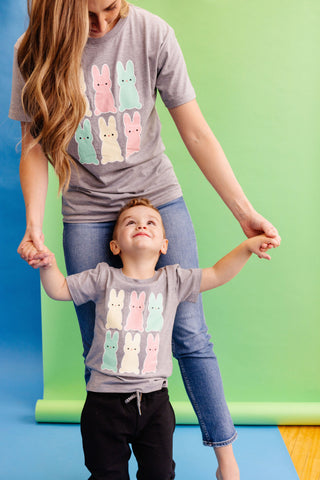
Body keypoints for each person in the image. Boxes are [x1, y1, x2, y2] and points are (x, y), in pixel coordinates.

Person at [9, 1, 281, 479]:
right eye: (92, 12)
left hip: (156, 198)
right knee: (101, 340)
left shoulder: (153, 33)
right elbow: (33, 145)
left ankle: (226, 460)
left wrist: (244, 213)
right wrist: (35, 223)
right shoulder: (35, 49)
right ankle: (109, 462)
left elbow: (194, 132)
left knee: (191, 333)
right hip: (87, 211)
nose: (105, 21)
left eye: (113, 8)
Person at [35, 198, 278, 480]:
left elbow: (217, 273)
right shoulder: (102, 277)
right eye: (130, 222)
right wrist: (47, 264)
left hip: (155, 405)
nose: (141, 224)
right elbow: (60, 288)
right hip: (103, 404)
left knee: (160, 474)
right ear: (115, 246)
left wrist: (247, 247)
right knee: (106, 474)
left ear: (163, 244)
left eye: (151, 222)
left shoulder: (172, 280)